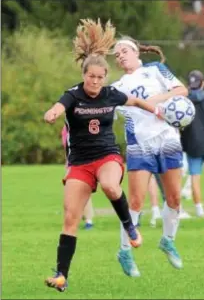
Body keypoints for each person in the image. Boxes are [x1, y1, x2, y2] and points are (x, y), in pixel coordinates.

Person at [44, 19, 161, 292]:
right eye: (90, 76)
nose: (95, 81)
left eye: (100, 77)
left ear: (105, 76)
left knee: (110, 186)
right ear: (84, 75)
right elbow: (59, 106)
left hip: (107, 156)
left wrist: (155, 110)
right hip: (80, 163)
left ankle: (129, 226)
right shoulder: (73, 95)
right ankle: (61, 275)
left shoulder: (110, 94)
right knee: (71, 218)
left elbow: (133, 101)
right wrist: (52, 113)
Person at [112, 36, 188, 276]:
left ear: (136, 53)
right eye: (117, 54)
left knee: (175, 197)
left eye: (124, 50)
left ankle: (168, 240)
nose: (120, 55)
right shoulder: (116, 87)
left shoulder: (156, 69)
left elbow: (181, 90)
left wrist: (151, 102)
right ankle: (124, 251)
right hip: (139, 145)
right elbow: (102, 112)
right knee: (135, 201)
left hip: (168, 138)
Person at [180, 70, 204, 218]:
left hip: (192, 145)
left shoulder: (184, 100)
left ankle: (199, 210)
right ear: (203, 83)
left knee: (194, 176)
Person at [61, 125, 94, 229]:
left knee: (83, 190)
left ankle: (88, 220)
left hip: (82, 162)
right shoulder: (66, 130)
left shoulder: (82, 125)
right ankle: (80, 218)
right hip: (72, 163)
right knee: (73, 193)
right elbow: (67, 148)